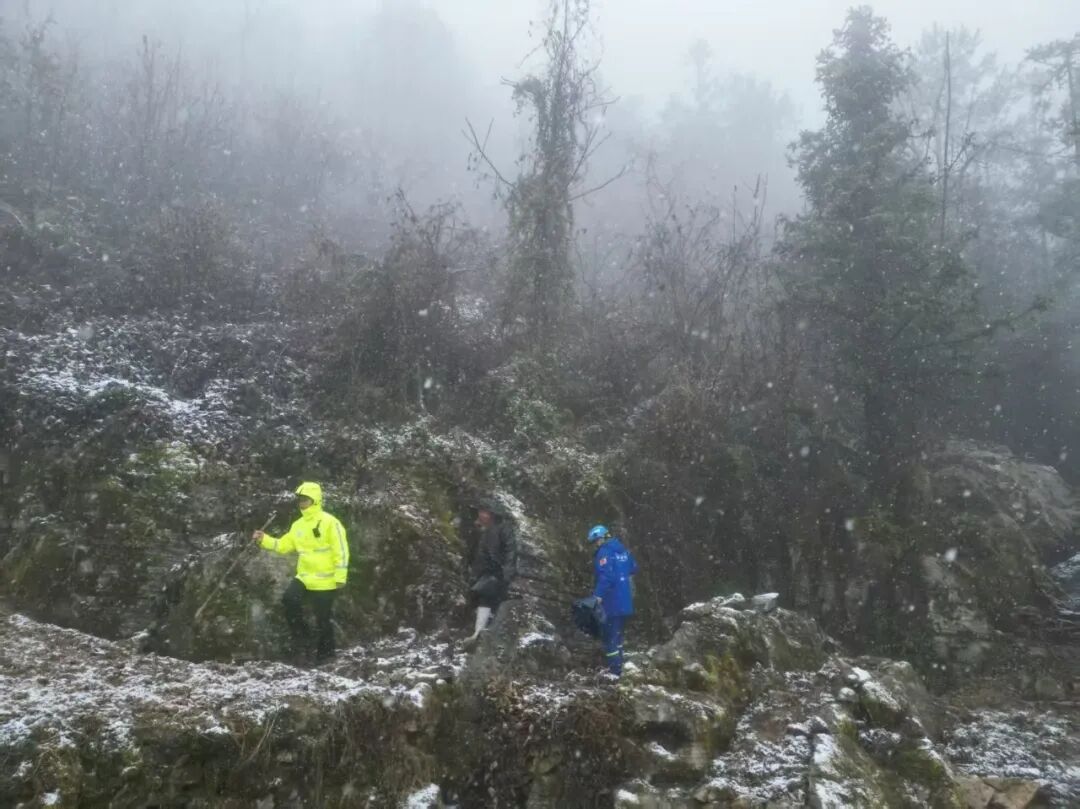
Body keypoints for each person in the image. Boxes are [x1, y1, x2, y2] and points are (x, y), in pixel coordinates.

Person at [253, 481, 348, 665]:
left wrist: (340, 576)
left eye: (305, 499)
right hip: (304, 577)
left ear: (315, 500)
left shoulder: (330, 522)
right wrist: (263, 539)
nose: (301, 503)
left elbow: (341, 550)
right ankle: (302, 638)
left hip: (326, 580)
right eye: (300, 499)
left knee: (323, 619)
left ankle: (326, 655)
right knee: (289, 600)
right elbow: (283, 545)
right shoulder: (298, 525)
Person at [463, 497, 517, 648]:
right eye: (480, 511)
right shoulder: (479, 530)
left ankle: (479, 633)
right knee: (480, 598)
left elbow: (510, 551)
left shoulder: (504, 528)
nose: (481, 514)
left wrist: (507, 572)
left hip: (495, 571)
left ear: (492, 514)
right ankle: (479, 631)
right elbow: (472, 551)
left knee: (486, 597)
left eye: (484, 512)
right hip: (480, 571)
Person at [588, 524, 637, 676]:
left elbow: (606, 577)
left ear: (601, 538)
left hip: (611, 601)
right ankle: (620, 667)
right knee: (618, 635)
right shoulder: (623, 550)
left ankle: (615, 672)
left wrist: (597, 596)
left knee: (609, 637)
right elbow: (634, 568)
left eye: (596, 541)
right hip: (625, 601)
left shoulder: (604, 552)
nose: (596, 545)